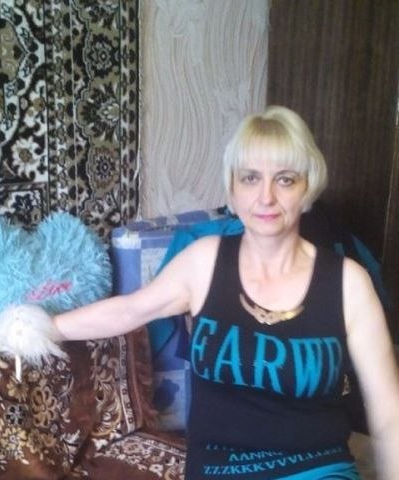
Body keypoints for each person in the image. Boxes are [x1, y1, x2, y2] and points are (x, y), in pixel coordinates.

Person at [53, 106, 399, 479]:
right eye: (250, 178)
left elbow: (388, 412)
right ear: (232, 188)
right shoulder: (203, 261)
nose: (266, 197)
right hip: (220, 468)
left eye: (285, 179)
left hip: (317, 466)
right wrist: (36, 328)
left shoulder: (349, 283)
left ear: (307, 187)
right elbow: (128, 311)